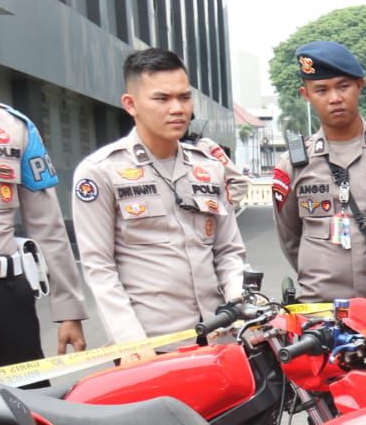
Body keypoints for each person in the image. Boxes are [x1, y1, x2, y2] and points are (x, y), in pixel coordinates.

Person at [72, 47, 248, 351]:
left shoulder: (208, 167)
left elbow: (228, 251)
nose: (177, 108)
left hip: (220, 339)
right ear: (131, 104)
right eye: (162, 99)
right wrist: (131, 342)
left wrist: (240, 303)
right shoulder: (101, 171)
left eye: (184, 97)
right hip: (152, 346)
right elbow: (99, 266)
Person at [271, 41, 366, 301]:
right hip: (320, 307)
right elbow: (290, 238)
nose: (334, 98)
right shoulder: (293, 164)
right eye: (321, 90)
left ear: (360, 85)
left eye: (343, 86)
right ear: (306, 94)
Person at [0, 101, 87, 366]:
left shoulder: (13, 126)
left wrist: (69, 310)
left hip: (3, 296)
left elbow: (47, 225)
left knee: (21, 391)